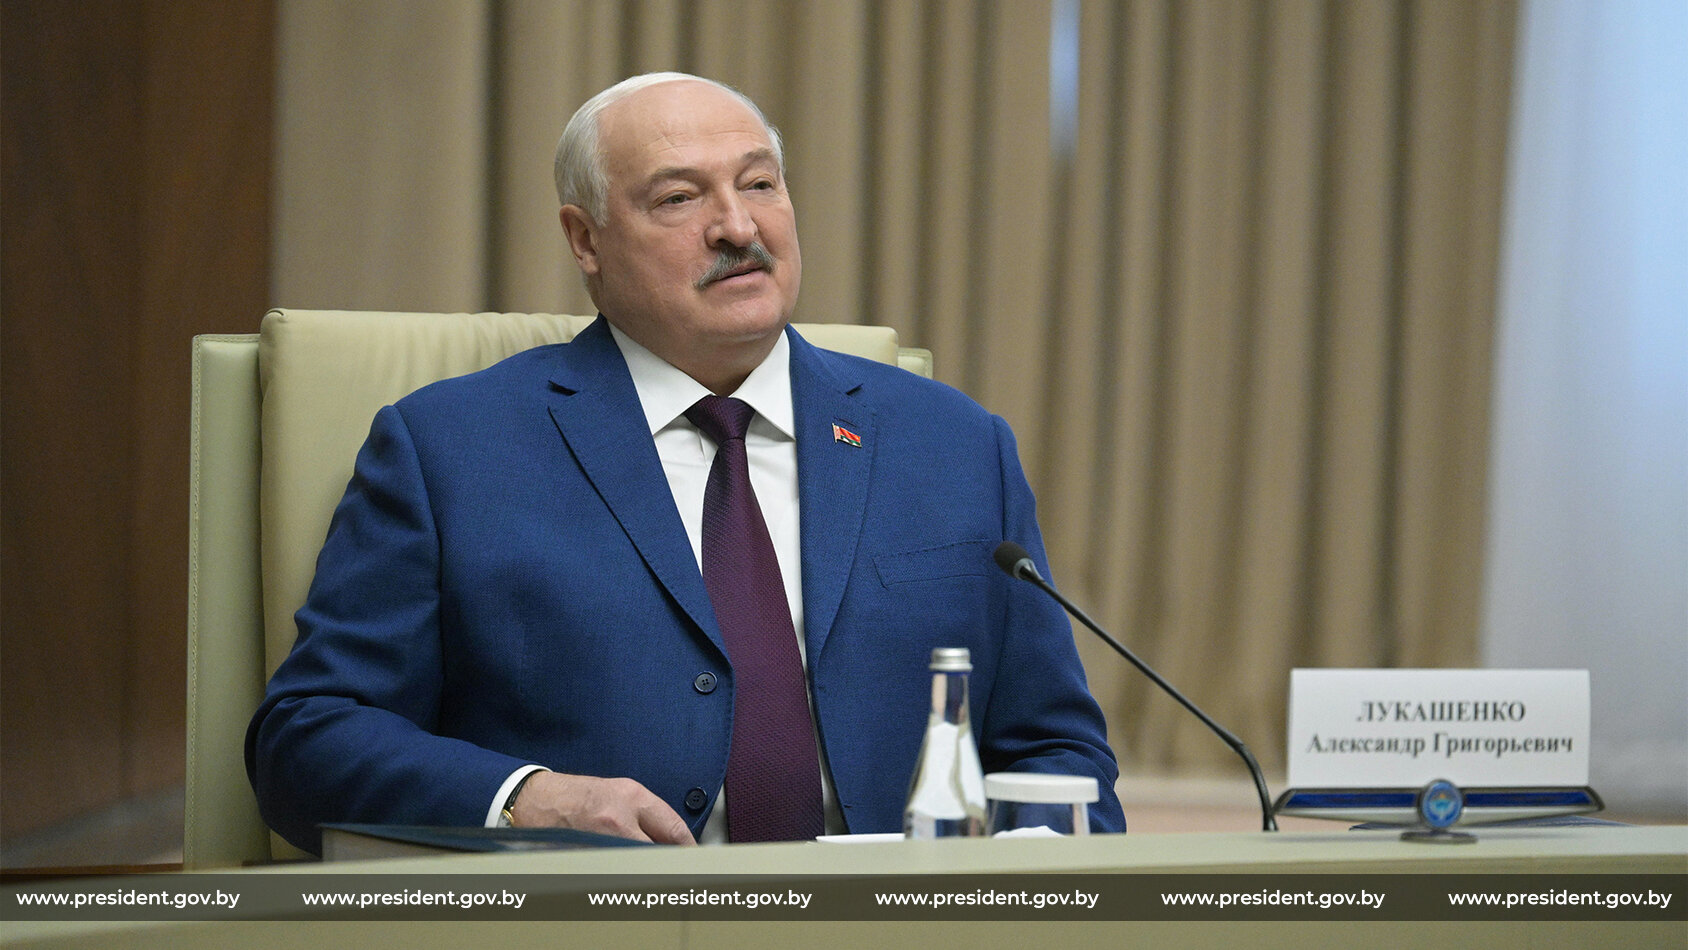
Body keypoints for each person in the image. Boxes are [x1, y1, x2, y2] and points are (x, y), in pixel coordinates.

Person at [247, 72, 1124, 854]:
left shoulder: (955, 446)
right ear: (585, 240)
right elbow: (307, 738)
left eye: (760, 184)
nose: (738, 226)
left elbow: (1054, 750)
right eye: (678, 198)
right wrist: (526, 799)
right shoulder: (449, 451)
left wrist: (1016, 877)